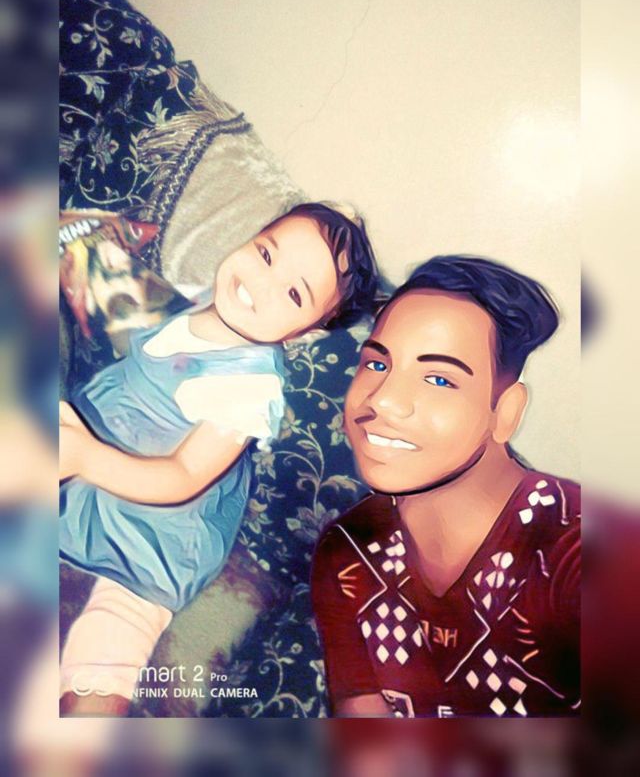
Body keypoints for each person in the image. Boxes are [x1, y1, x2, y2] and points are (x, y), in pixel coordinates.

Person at [59, 202, 378, 716]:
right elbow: (122, 300)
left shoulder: (246, 386)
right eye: (266, 254)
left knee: (114, 626)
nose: (261, 283)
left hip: (161, 520)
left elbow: (184, 476)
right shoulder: (202, 300)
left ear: (307, 331)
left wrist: (86, 457)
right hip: (105, 431)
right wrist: (96, 241)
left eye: (294, 294)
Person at [311, 256, 580, 718]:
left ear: (505, 413)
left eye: (438, 379)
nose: (383, 401)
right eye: (377, 363)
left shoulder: (576, 547)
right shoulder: (346, 551)